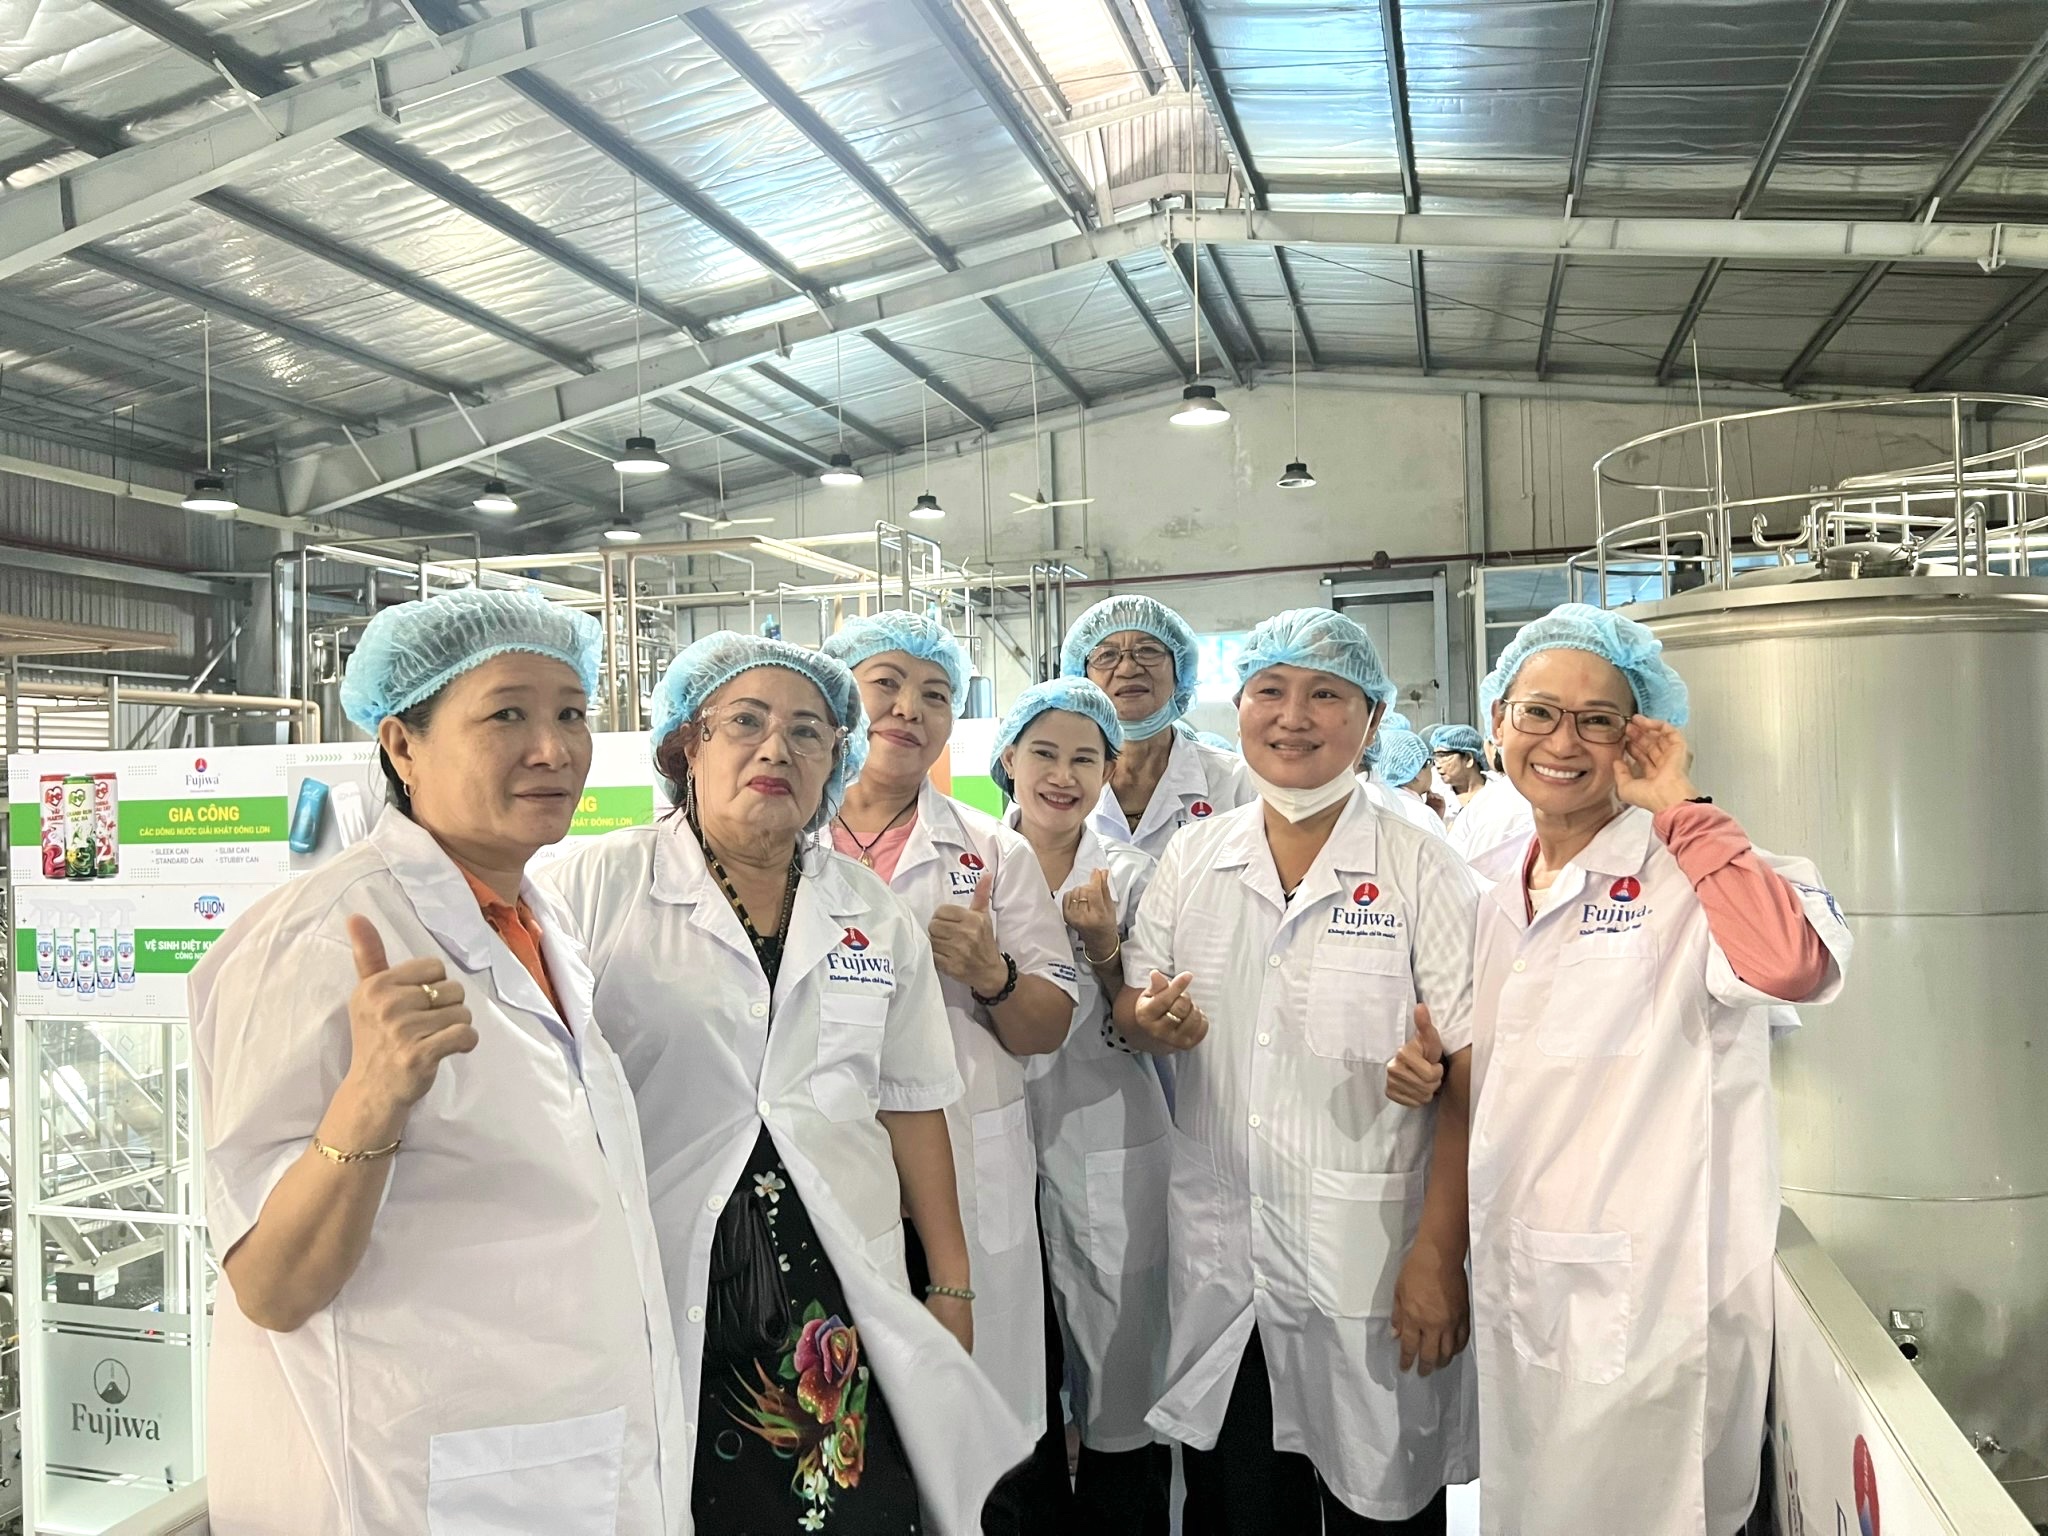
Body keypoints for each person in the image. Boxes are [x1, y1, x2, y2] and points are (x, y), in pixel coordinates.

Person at [191, 590, 685, 1534]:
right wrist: (369, 1101)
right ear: (401, 745)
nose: (554, 749)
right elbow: (272, 1286)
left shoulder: (538, 919)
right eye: (507, 715)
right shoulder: (321, 938)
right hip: (413, 1476)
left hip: (556, 1450)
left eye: (571, 713)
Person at [541, 632, 1031, 1534]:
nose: (777, 749)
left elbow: (912, 1100)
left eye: (808, 732)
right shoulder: (591, 888)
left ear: (835, 760)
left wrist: (952, 1284)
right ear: (687, 745)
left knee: (850, 1511)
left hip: (833, 1295)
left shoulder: (868, 908)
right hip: (664, 1274)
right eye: (746, 722)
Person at [1388, 604, 1851, 1536]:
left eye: (1598, 720)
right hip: (1529, 1291)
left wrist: (1680, 805)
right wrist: (1430, 1083)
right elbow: (1500, 1083)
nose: (1563, 742)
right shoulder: (1496, 897)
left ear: (1639, 737)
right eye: (1539, 712)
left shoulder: (1695, 870)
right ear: (1498, 723)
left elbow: (1789, 964)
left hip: (1655, 1315)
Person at [1117, 607, 1479, 1535]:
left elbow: (1470, 1077)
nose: (1293, 716)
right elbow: (1134, 1006)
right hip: (1225, 1265)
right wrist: (1150, 1023)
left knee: (1379, 1506)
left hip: (1371, 1262)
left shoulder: (1421, 865)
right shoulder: (1196, 855)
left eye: (1325, 694)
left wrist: (1440, 1255)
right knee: (1239, 1505)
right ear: (1238, 708)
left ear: (1372, 717)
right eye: (1270, 691)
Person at [821, 612, 1080, 1532]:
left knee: (980, 1443)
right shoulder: (782, 840)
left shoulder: (991, 851)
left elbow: (1049, 1023)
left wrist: (993, 974)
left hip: (964, 1168)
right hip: (831, 1164)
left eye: (936, 694)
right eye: (885, 684)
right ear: (837, 696)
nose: (908, 708)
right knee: (843, 1424)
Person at [993, 678, 1173, 1535]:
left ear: (1108, 773)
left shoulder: (1135, 878)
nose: (1061, 776)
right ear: (1009, 758)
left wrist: (1106, 947)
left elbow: (1153, 1021)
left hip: (1109, 1136)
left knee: (1120, 1383)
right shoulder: (972, 865)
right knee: (1013, 1371)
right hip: (994, 1144)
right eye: (1044, 753)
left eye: (1083, 759)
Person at [1060, 596, 1252, 857]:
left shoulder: (1237, 784)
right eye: (1106, 655)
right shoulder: (1052, 788)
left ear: (1179, 668)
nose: (1128, 669)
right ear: (1083, 678)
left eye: (1148, 651)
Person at [1437, 719, 1533, 862]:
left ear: (1468, 758)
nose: (1438, 765)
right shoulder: (1437, 796)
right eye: (1435, 757)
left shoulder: (1496, 794)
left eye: (1444, 756)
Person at [1363, 726, 1447, 837]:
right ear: (1417, 772)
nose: (1432, 767)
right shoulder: (1423, 815)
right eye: (1428, 762)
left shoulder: (1383, 800)